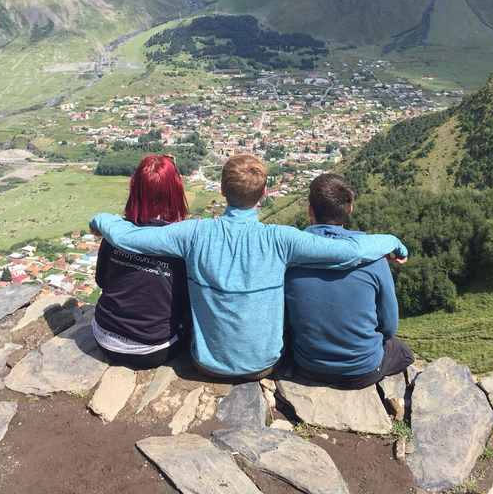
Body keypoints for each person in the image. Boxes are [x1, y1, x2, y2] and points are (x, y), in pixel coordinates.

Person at [89, 154, 408, 379]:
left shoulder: (195, 233)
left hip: (205, 364)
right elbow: (349, 251)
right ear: (264, 194)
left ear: (223, 191)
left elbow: (131, 239)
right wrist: (393, 240)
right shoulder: (281, 239)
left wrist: (101, 220)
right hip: (264, 366)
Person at [285, 174, 414, 389]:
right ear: (350, 210)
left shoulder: (290, 258)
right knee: (403, 352)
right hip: (363, 371)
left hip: (307, 365)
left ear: (310, 210)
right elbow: (389, 327)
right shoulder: (374, 259)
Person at [92, 154, 191, 368]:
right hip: (153, 349)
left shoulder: (117, 233)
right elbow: (187, 301)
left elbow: (102, 281)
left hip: (103, 336)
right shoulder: (180, 243)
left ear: (135, 188)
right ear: (175, 192)